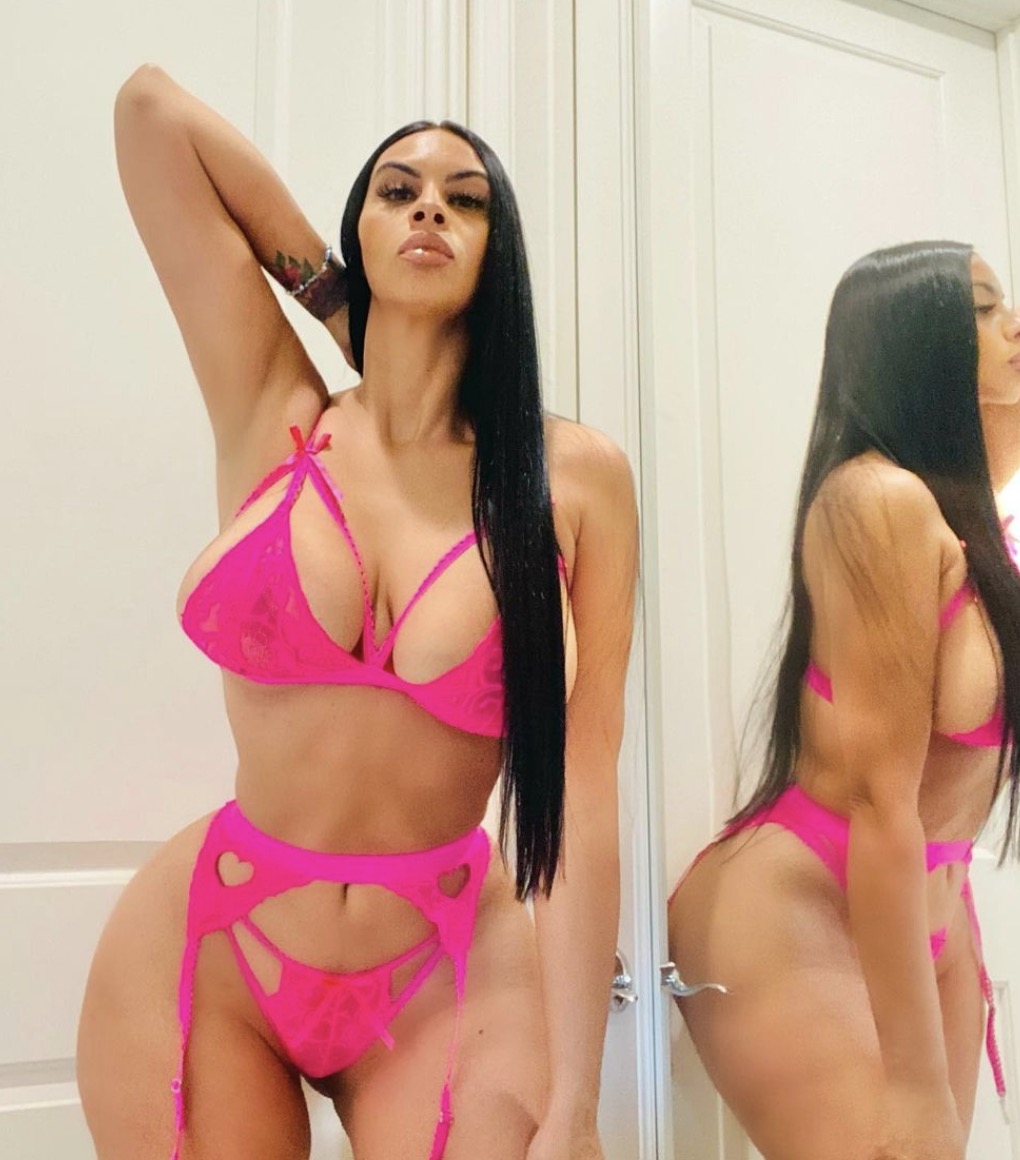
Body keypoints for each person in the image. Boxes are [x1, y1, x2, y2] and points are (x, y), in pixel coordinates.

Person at [77, 64, 637, 1160]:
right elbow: (150, 114)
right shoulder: (275, 407)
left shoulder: (573, 482)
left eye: (466, 199)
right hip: (214, 943)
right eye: (398, 190)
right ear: (360, 231)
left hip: (446, 964)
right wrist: (341, 310)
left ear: (501, 255)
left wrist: (576, 1099)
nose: (430, 208)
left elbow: (583, 795)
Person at [668, 242, 1020, 1160]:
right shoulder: (876, 500)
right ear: (914, 343)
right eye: (983, 308)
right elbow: (877, 798)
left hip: (932, 903)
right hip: (807, 892)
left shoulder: (977, 530)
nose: (1015, 325)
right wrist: (915, 1086)